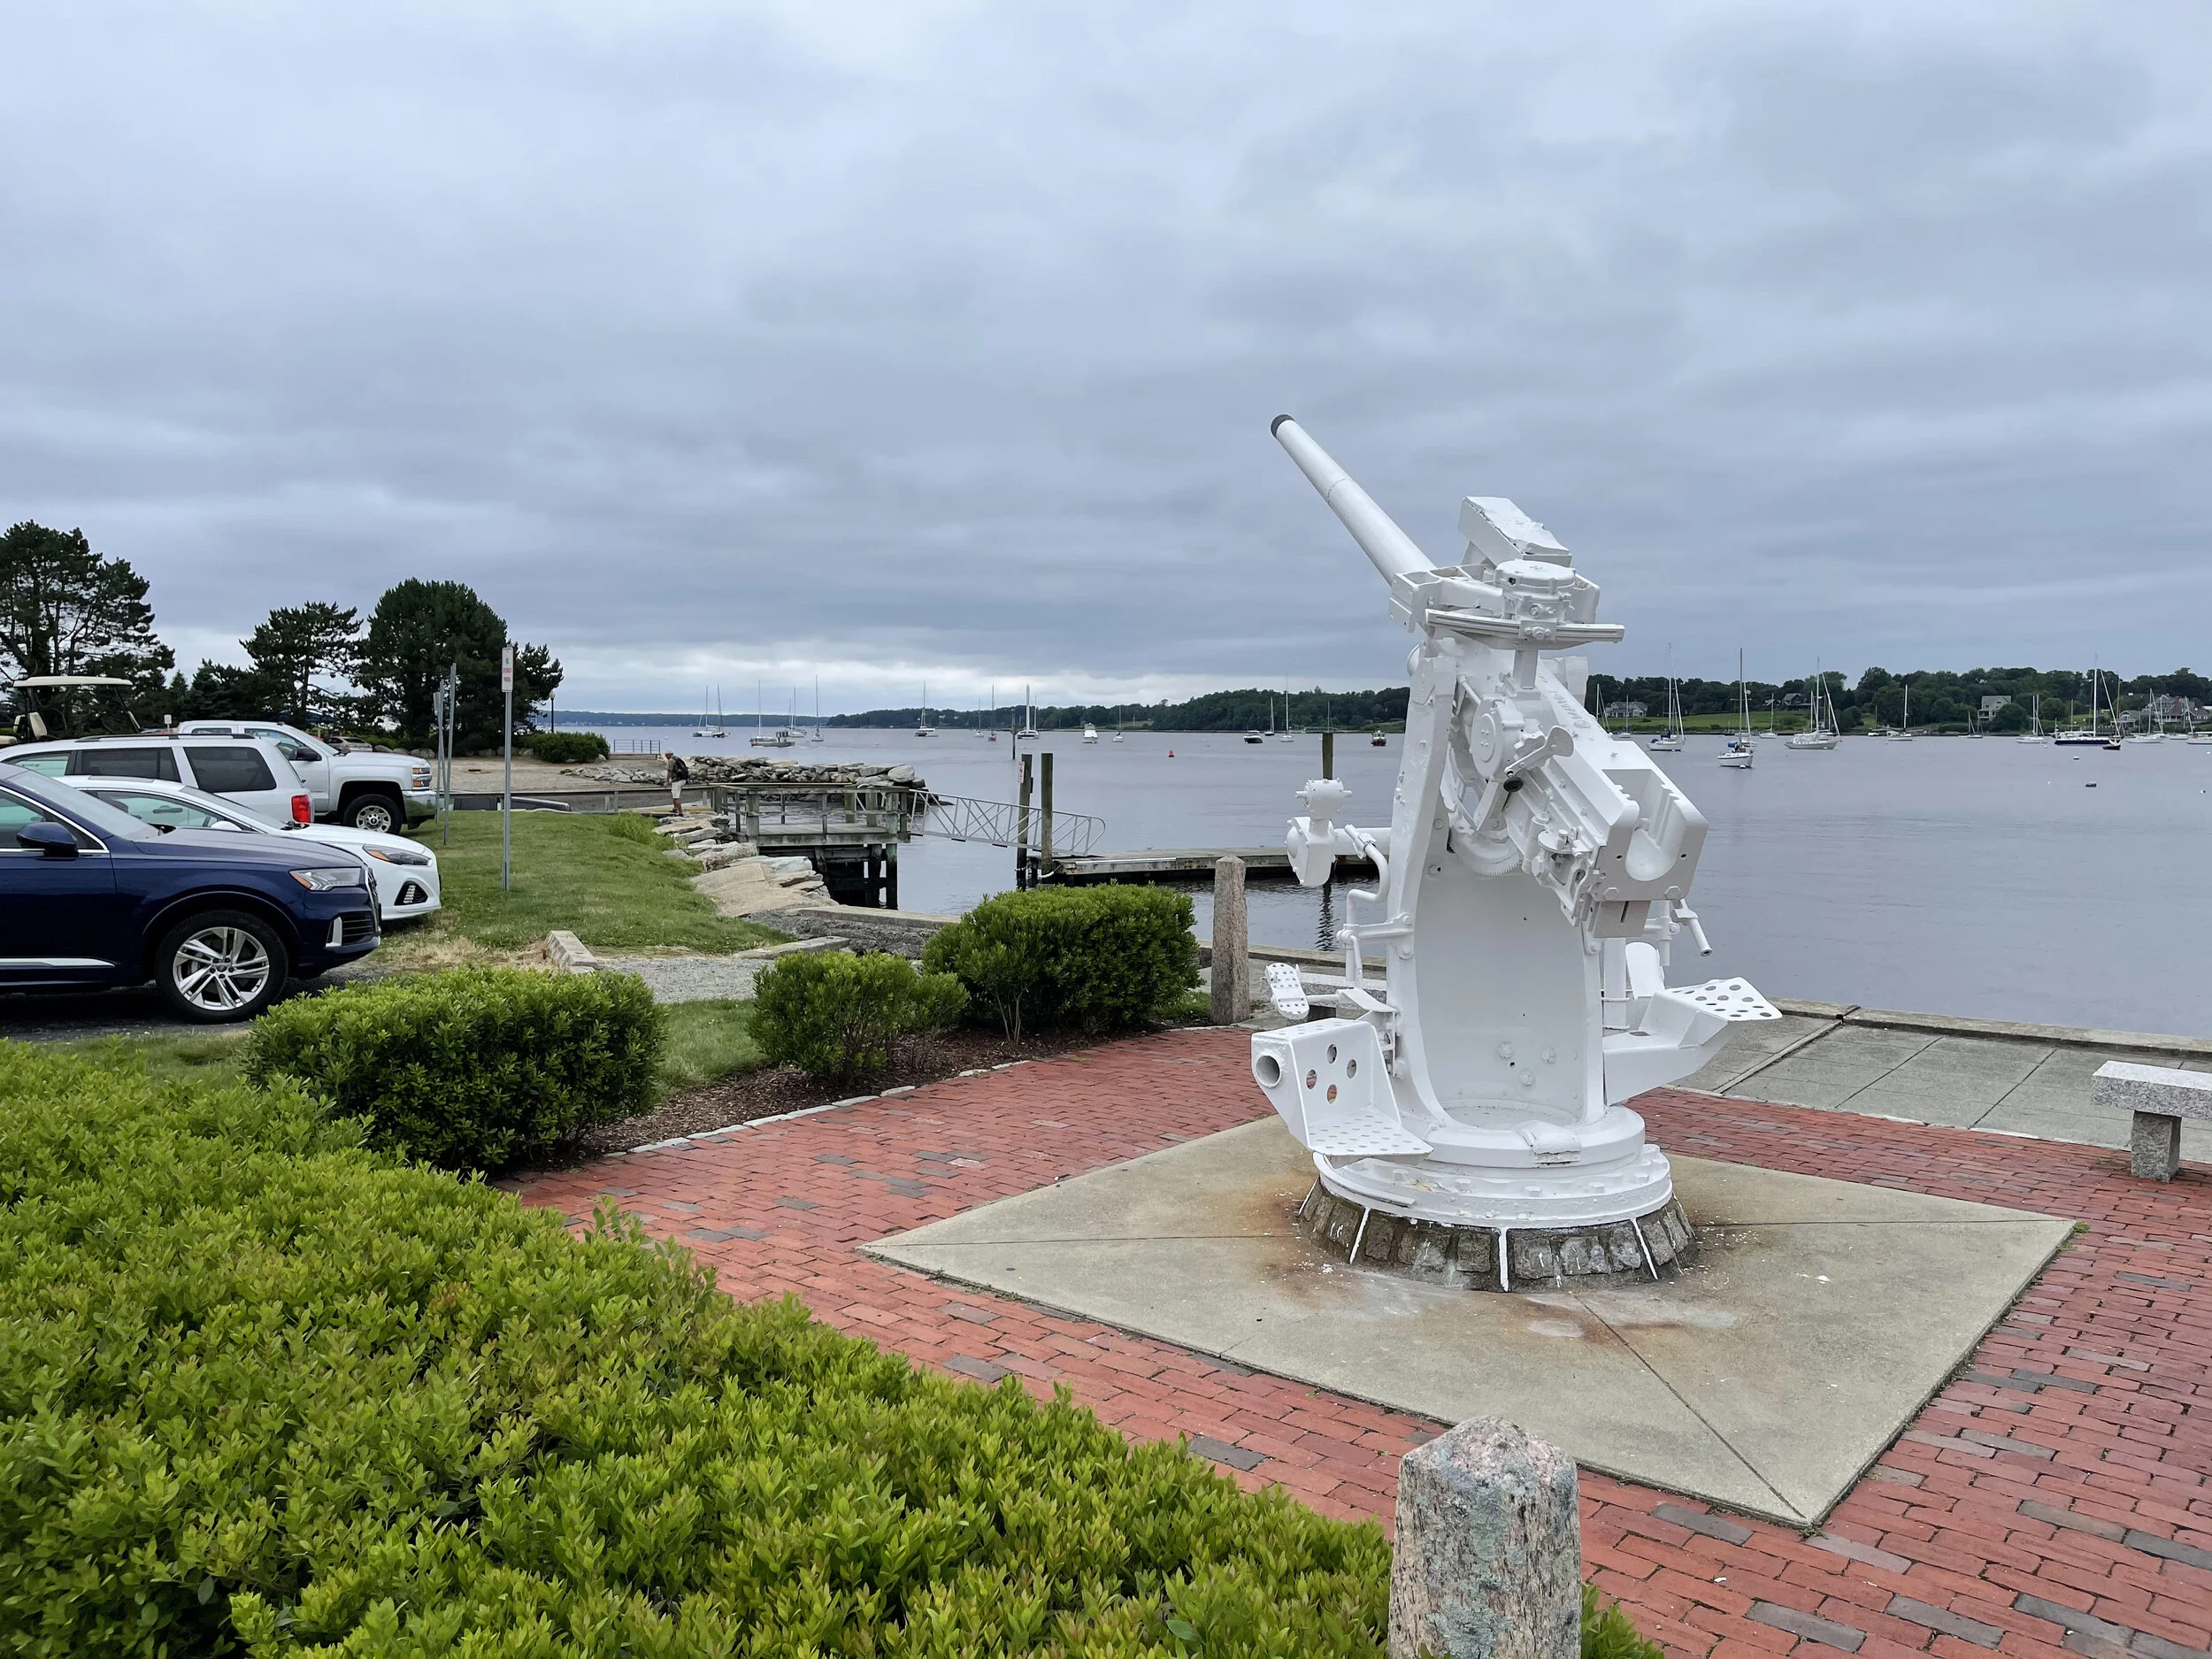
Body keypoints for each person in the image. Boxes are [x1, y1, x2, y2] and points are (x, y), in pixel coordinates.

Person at [664, 749, 689, 813]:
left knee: (676, 797)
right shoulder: (678, 759)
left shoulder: (671, 760)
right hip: (683, 779)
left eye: (666, 755)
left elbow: (670, 771)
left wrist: (667, 781)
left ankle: (680, 812)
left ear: (668, 755)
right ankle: (675, 808)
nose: (666, 757)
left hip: (677, 780)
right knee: (675, 794)